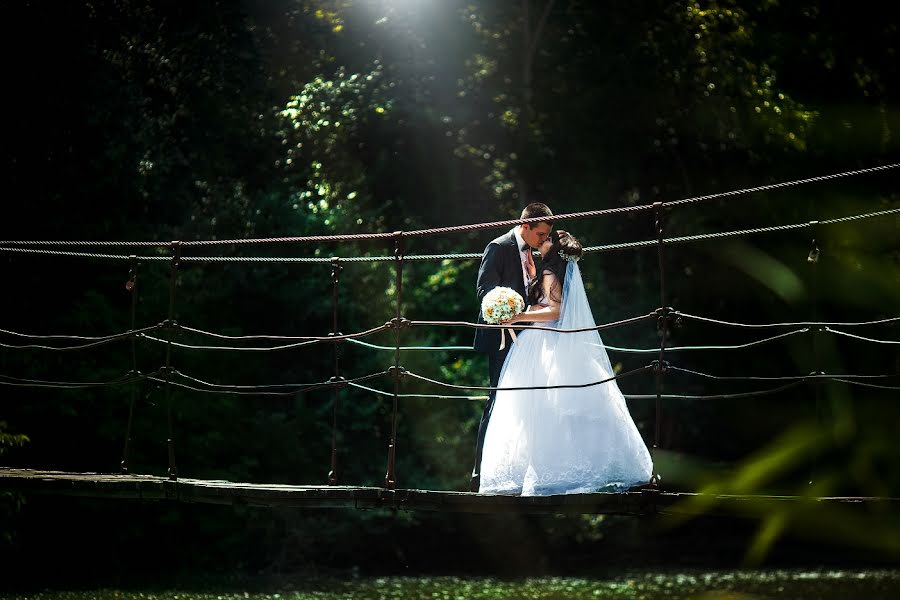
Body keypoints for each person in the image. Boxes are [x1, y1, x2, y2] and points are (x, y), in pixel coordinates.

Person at [478, 230, 653, 496]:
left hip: (544, 341)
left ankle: (544, 469)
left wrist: (517, 316)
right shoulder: (557, 271)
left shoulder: (549, 273)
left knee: (533, 406)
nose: (541, 242)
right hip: (552, 340)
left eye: (547, 240)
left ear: (553, 249)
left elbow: (556, 311)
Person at [471, 202, 554, 492]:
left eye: (547, 236)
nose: (544, 240)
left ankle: (518, 469)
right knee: (497, 400)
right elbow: (485, 290)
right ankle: (480, 472)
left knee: (524, 402)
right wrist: (506, 308)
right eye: (540, 234)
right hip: (502, 338)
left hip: (529, 340)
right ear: (525, 226)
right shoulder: (498, 246)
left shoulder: (536, 254)